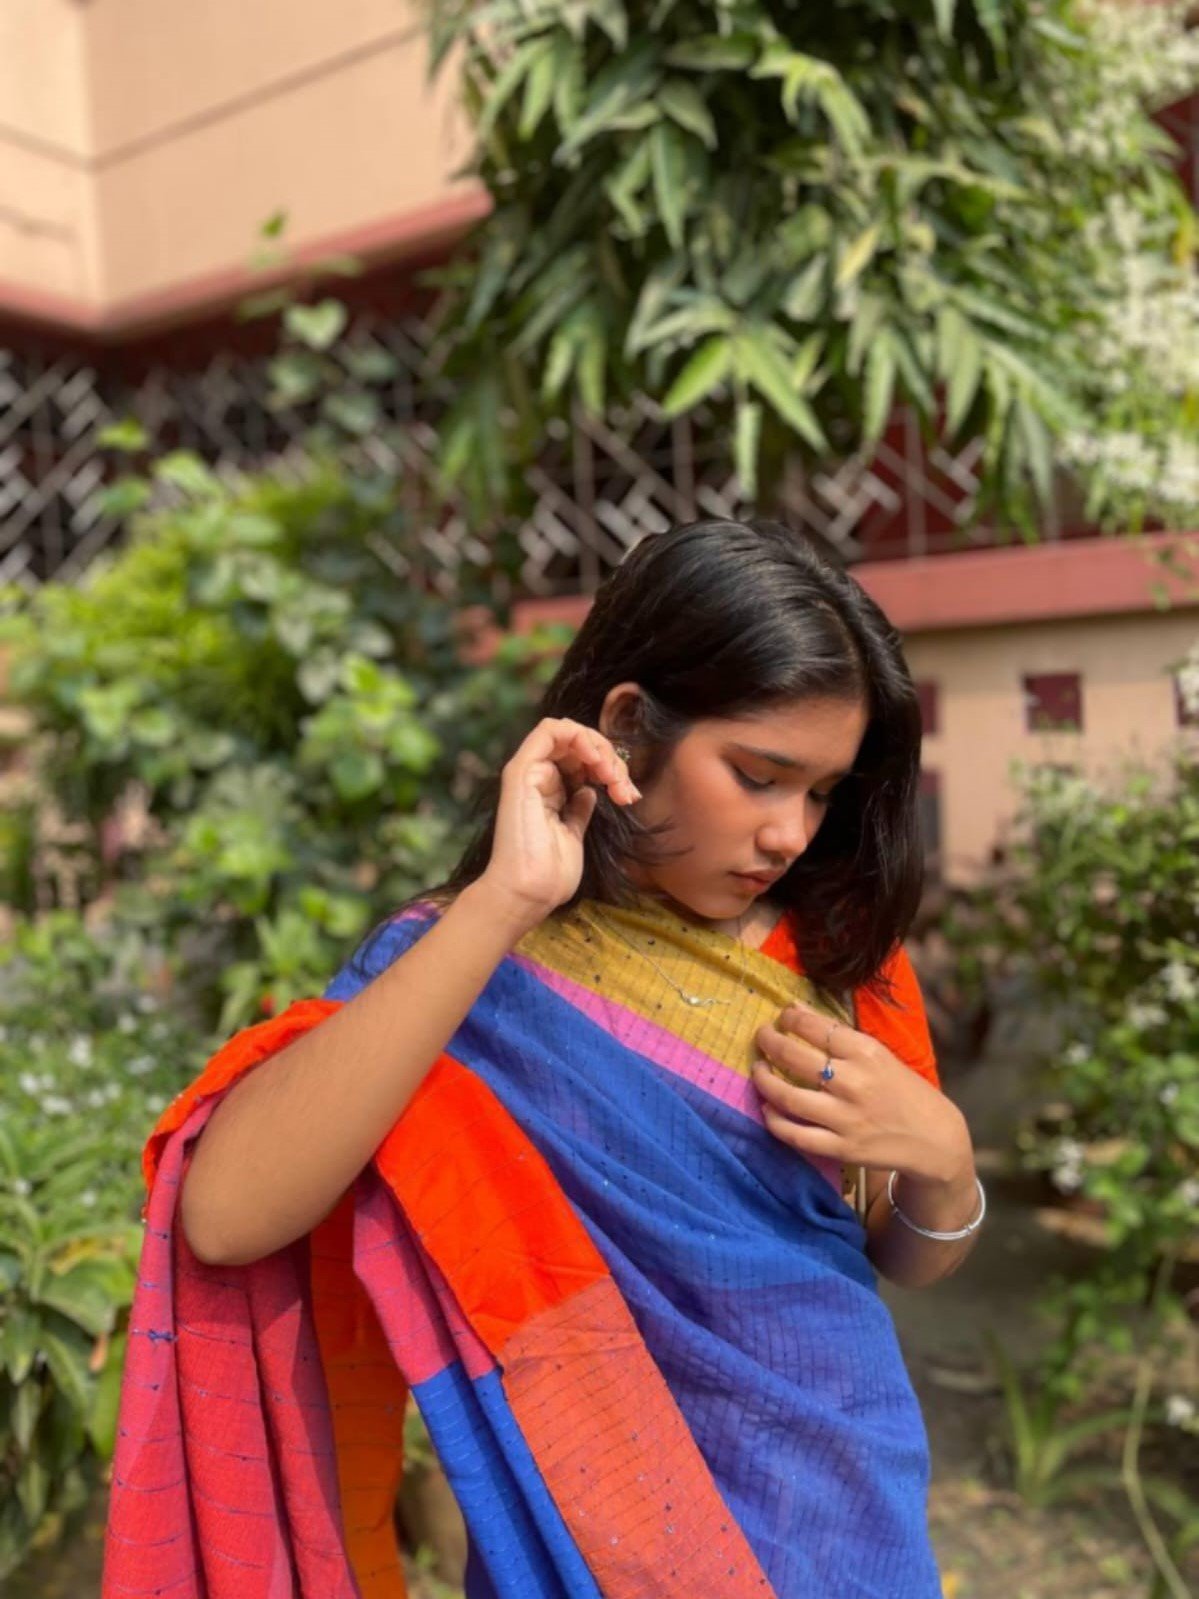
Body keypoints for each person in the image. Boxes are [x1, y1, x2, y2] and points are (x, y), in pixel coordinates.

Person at [106, 518, 985, 1599]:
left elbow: (895, 1257)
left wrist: (945, 1163)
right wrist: (505, 902)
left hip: (847, 1520)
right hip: (589, 1534)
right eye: (758, 776)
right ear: (627, 725)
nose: (789, 834)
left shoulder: (842, 956)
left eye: (820, 793)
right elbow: (226, 1215)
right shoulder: (474, 964)